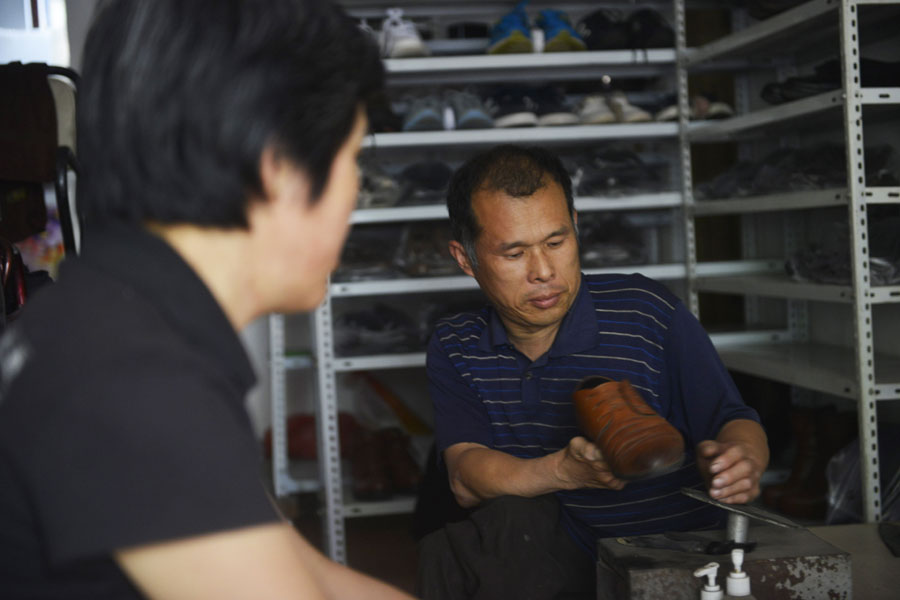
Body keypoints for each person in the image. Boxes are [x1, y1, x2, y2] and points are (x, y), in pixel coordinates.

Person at [0, 1, 415, 598]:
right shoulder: (129, 380)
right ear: (278, 168)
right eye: (353, 160)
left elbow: (308, 576)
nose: (357, 199)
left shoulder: (120, 318)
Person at [417, 145, 769, 600]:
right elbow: (466, 477)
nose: (543, 272)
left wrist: (741, 458)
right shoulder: (456, 343)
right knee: (478, 539)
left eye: (556, 243)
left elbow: (733, 417)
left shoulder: (646, 311)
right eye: (514, 254)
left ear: (576, 228)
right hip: (560, 550)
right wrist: (563, 472)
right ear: (466, 259)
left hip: (675, 545)